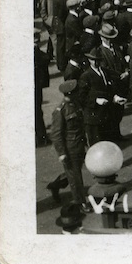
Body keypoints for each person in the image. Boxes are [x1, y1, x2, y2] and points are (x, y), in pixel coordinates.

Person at [46, 80, 87, 208]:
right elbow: (56, 134)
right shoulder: (60, 110)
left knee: (73, 172)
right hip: (70, 148)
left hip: (79, 144)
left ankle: (55, 185)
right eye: (76, 92)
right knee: (75, 176)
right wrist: (62, 153)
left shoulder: (75, 104)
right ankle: (80, 202)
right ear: (71, 93)